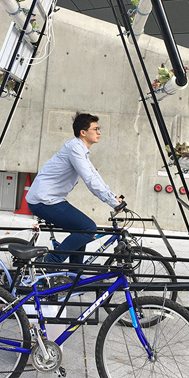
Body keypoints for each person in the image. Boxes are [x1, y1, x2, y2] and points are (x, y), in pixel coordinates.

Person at [26, 112, 122, 265]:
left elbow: (94, 175)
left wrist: (113, 197)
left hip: (52, 199)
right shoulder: (75, 149)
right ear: (83, 132)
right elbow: (89, 180)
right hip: (43, 200)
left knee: (81, 230)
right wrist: (112, 202)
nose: (99, 132)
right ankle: (51, 262)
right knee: (88, 228)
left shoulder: (80, 150)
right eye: (96, 129)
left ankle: (73, 277)